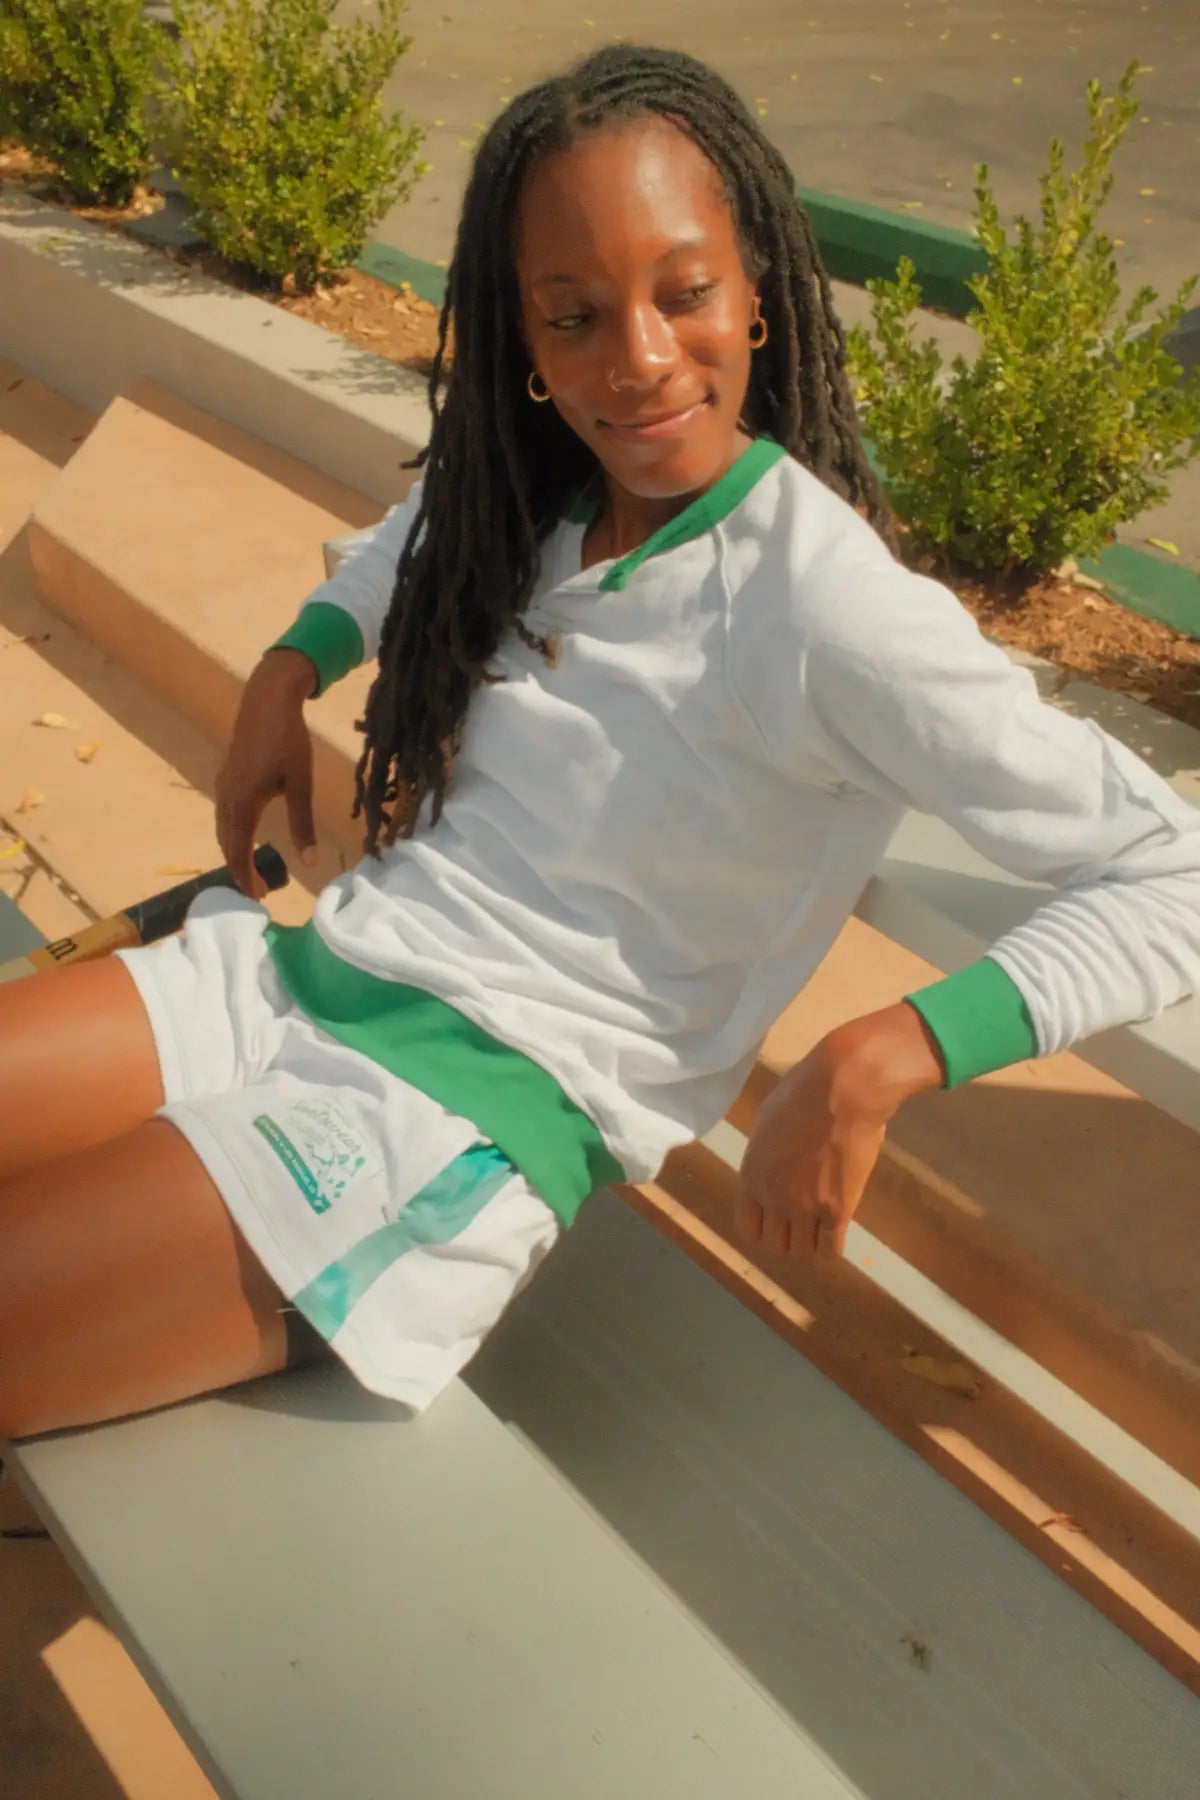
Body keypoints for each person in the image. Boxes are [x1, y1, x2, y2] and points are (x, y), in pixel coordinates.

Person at [2, 45, 1198, 1440]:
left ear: (757, 287)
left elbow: (1172, 867)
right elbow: (422, 537)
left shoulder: (824, 598)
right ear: (526, 342)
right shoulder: (554, 500)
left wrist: (886, 1051)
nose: (636, 362)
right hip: (288, 980)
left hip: (426, 1125)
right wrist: (295, 659)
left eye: (684, 294)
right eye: (573, 318)